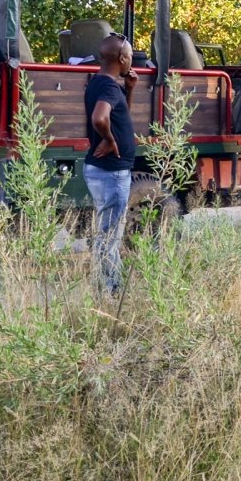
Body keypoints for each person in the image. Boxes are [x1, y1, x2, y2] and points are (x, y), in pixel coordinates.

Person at [84, 33, 137, 293]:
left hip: (103, 171)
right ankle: (111, 292)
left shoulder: (100, 83)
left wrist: (129, 90)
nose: (132, 61)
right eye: (130, 56)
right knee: (110, 236)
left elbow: (116, 116)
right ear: (122, 58)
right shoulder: (107, 87)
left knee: (107, 231)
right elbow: (100, 118)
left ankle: (105, 286)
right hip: (112, 173)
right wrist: (110, 140)